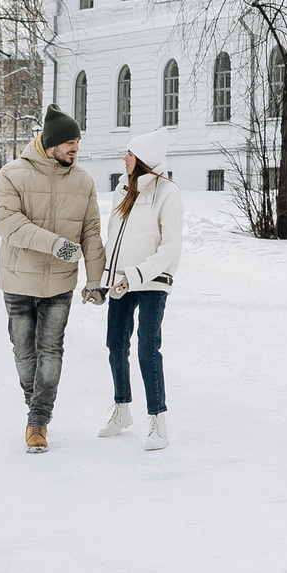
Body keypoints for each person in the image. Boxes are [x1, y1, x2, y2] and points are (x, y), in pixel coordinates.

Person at [0, 106, 104, 453]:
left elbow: (91, 233)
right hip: (18, 282)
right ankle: (35, 406)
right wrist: (56, 245)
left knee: (51, 351)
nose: (75, 148)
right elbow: (8, 224)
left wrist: (95, 281)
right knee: (24, 353)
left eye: (78, 142)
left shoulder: (83, 180)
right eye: (69, 142)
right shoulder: (12, 175)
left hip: (59, 285)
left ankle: (38, 420)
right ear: (50, 143)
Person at [93, 131, 184, 451]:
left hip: (152, 281)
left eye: (128, 154)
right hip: (121, 281)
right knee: (115, 344)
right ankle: (122, 410)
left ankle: (158, 420)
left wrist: (136, 275)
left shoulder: (167, 192)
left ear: (143, 159)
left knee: (147, 347)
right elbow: (113, 240)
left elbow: (170, 247)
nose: (124, 159)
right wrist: (103, 283)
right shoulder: (122, 188)